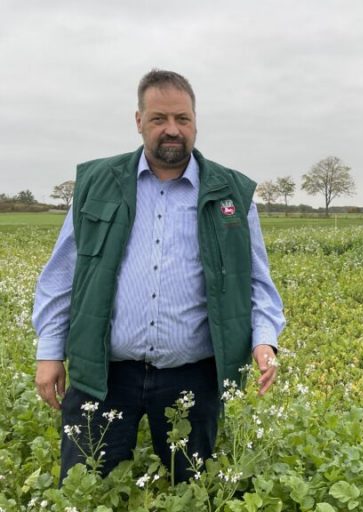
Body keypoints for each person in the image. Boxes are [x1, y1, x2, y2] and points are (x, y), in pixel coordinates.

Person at [32, 69, 285, 484]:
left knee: (192, 490)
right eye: (159, 119)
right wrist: (49, 351)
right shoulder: (98, 184)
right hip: (104, 372)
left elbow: (256, 280)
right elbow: (63, 275)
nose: (172, 130)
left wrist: (263, 339)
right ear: (139, 121)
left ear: (196, 121)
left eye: (182, 119)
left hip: (194, 376)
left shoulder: (231, 193)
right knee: (88, 487)